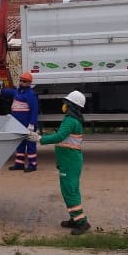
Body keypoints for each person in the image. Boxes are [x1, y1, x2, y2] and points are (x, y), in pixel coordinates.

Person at [28, 90, 90, 235]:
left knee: (70, 190)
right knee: (69, 190)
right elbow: (63, 139)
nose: (64, 106)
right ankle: (74, 218)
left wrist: (39, 139)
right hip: (69, 160)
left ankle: (82, 222)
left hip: (70, 161)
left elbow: (59, 137)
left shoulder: (70, 121)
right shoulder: (73, 120)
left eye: (66, 103)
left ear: (71, 106)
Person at [0, 72, 39, 172]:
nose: (21, 82)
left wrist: (32, 124)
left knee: (31, 144)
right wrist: (1, 91)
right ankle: (19, 164)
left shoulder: (31, 94)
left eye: (24, 81)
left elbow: (35, 110)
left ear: (29, 83)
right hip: (18, 124)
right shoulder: (18, 92)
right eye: (21, 80)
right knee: (20, 144)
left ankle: (32, 165)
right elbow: (10, 92)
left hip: (28, 124)